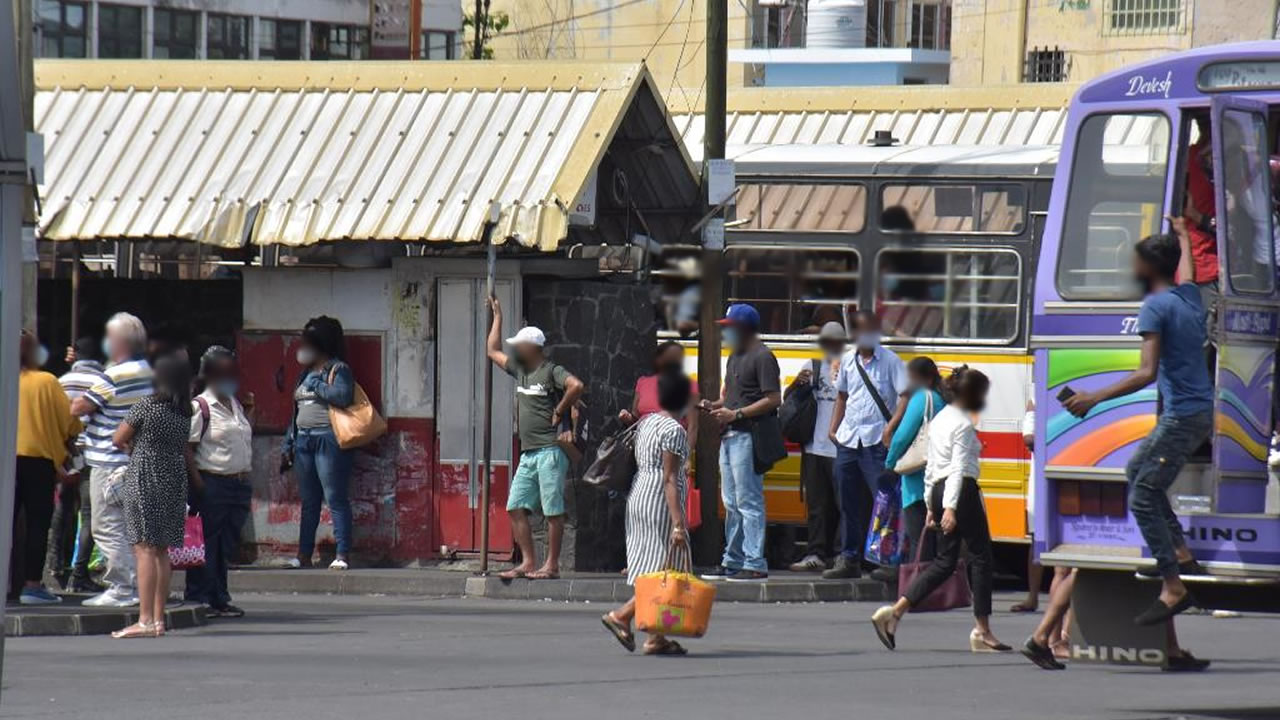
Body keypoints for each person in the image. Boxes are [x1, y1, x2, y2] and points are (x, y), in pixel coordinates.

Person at [1062, 218, 1212, 672]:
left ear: (1148, 266)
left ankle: (1173, 584)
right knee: (1136, 472)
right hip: (1197, 411)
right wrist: (1184, 236)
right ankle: (1182, 552)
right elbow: (1187, 271)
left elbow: (1146, 373)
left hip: (1182, 414)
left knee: (1142, 494)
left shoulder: (1155, 307)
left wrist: (1093, 397)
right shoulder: (1187, 296)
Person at [871, 366, 1008, 653]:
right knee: (980, 557)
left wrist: (932, 504)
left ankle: (894, 613)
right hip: (960, 492)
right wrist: (951, 508)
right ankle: (982, 631)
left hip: (937, 490)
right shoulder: (963, 423)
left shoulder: (941, 418)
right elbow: (958, 468)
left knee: (945, 562)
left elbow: (932, 465)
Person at [485, 296, 584, 580]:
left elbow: (576, 385)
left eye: (518, 345)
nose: (514, 349)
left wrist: (560, 409)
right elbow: (492, 350)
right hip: (529, 453)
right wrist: (498, 316)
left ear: (532, 348)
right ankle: (529, 561)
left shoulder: (550, 370)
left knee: (553, 510)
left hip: (551, 451)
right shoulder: (521, 371)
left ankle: (551, 565)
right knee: (515, 506)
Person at [601, 371, 694, 655]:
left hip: (639, 494)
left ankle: (656, 636)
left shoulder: (647, 422)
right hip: (659, 501)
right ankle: (622, 615)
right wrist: (678, 522)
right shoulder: (674, 430)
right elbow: (669, 478)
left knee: (652, 565)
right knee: (663, 569)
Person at [110, 355, 199, 638]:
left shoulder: (147, 406)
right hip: (173, 479)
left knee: (144, 548)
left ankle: (145, 619)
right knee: (162, 550)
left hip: (145, 476)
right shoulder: (185, 412)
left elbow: (118, 437)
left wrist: (131, 448)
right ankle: (159, 618)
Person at [70, 312, 153, 608]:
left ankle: (122, 586)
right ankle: (134, 585)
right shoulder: (148, 372)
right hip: (136, 459)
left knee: (106, 525)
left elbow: (80, 406)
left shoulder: (116, 374)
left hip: (108, 460)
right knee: (132, 525)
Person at [698, 304, 781, 583]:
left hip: (748, 435)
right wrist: (714, 405)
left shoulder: (763, 356)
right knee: (731, 501)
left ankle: (754, 561)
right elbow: (733, 396)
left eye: (729, 327)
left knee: (748, 500)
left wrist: (736, 414)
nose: (726, 332)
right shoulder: (734, 356)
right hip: (731, 435)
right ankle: (733, 560)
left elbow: (773, 398)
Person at [824, 311, 907, 580]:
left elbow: (905, 396)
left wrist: (890, 427)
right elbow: (842, 396)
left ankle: (887, 560)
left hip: (876, 441)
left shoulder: (891, 362)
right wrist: (833, 427)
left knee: (883, 502)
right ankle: (850, 558)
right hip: (850, 439)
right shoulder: (848, 361)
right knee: (847, 500)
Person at [185, 346, 255, 618]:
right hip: (212, 483)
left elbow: (242, 437)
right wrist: (198, 484)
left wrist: (251, 411)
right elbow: (187, 448)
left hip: (238, 484)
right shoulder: (200, 406)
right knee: (207, 544)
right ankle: (200, 597)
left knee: (225, 545)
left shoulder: (235, 403)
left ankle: (220, 597)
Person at [282, 317, 356, 571]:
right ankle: (303, 555)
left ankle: (342, 553)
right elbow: (295, 410)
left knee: (335, 497)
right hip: (303, 440)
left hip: (329, 440)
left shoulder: (338, 370)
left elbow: (344, 397)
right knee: (309, 501)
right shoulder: (304, 373)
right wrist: (288, 443)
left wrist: (319, 385)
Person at [14, 331, 82, 604]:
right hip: (38, 463)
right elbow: (70, 424)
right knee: (38, 525)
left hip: (6, 461)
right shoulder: (47, 381)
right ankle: (32, 584)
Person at [49, 336, 107, 593]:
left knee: (62, 509)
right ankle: (79, 574)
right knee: (89, 515)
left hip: (64, 453)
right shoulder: (102, 383)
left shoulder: (60, 382)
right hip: (91, 454)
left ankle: (56, 565)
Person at [789, 322, 845, 572]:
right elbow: (788, 400)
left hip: (840, 447)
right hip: (813, 446)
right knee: (817, 504)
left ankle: (842, 554)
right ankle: (816, 552)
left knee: (843, 504)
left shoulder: (850, 367)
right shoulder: (812, 365)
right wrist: (796, 385)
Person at [883, 356, 945, 569]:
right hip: (937, 478)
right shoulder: (941, 398)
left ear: (926, 380)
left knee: (920, 539)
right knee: (933, 541)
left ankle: (917, 589)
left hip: (917, 479)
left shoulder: (921, 398)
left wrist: (890, 463)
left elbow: (902, 436)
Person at [619, 341, 699, 437]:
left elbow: (693, 426)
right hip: (643, 441)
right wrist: (627, 418)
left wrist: (688, 450)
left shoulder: (689, 385)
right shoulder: (643, 382)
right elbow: (635, 420)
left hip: (672, 440)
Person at [1011, 398, 1044, 613]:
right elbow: (1029, 436)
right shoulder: (1037, 389)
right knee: (1037, 538)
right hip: (1040, 475)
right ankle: (1032, 597)